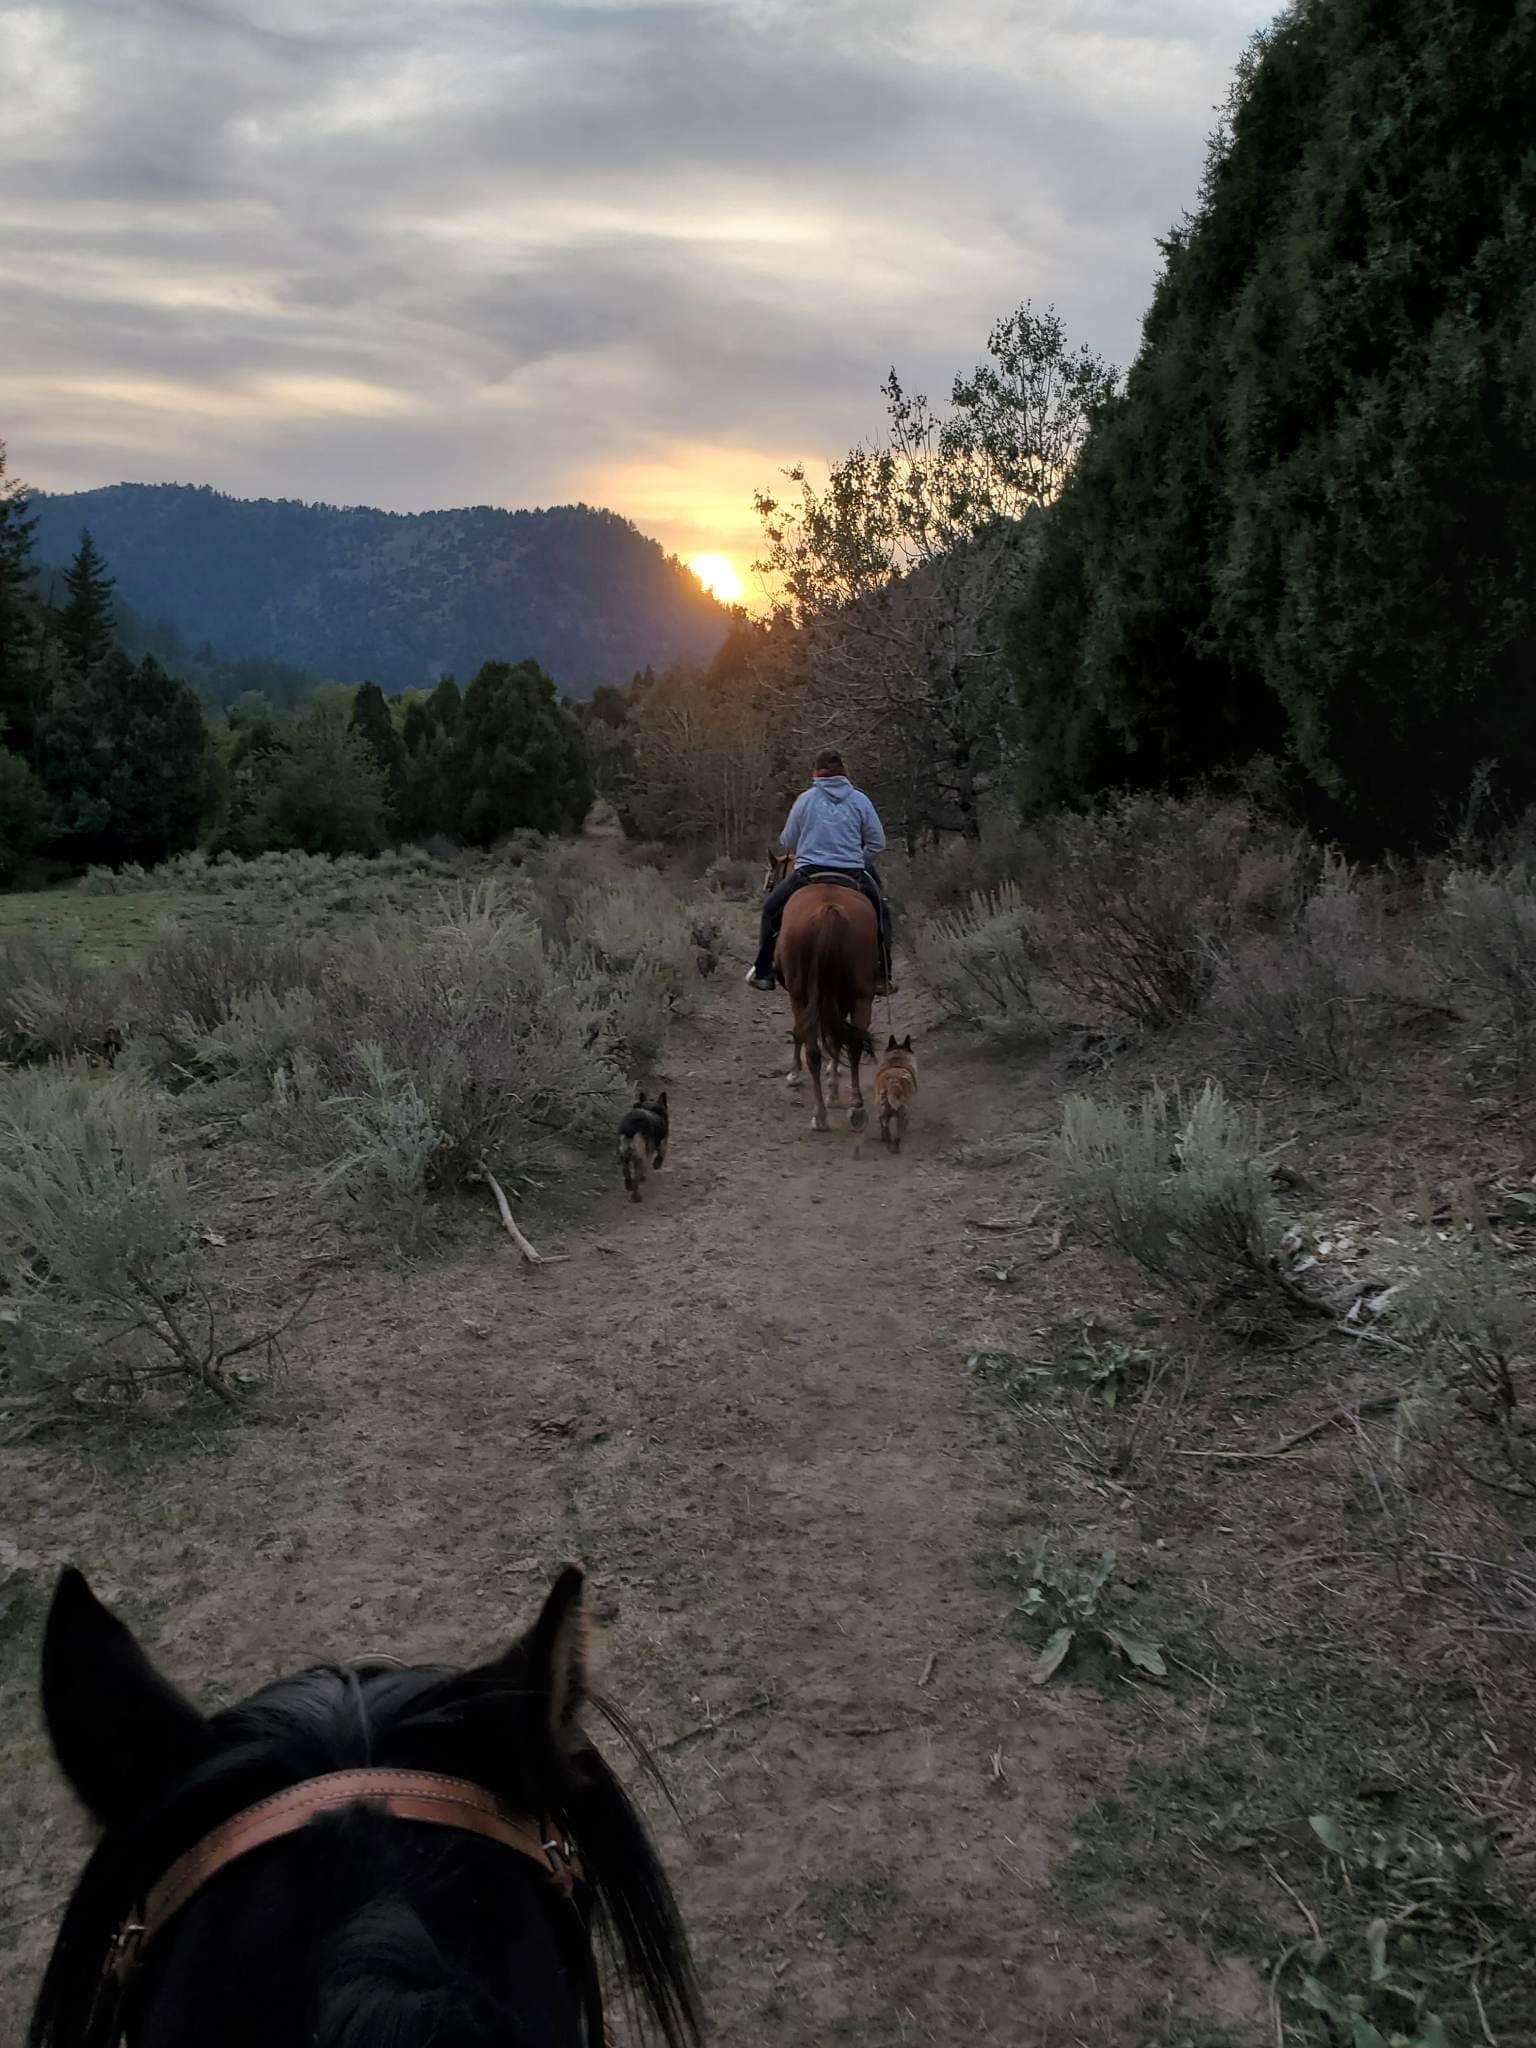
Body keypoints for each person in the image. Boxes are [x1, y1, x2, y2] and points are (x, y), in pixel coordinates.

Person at [745, 749, 896, 994]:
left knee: (771, 910)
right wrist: (857, 856)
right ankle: (883, 974)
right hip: (853, 873)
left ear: (816, 772)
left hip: (809, 872)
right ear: (844, 772)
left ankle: (764, 972)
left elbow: (788, 841)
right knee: (882, 913)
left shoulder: (805, 800)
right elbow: (878, 842)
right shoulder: (860, 800)